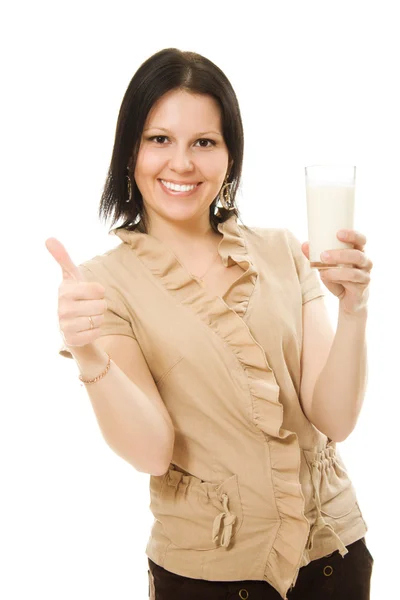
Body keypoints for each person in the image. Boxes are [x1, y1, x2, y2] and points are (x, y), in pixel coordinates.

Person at [46, 48, 374, 599]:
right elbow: (152, 452)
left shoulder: (281, 253)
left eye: (204, 142)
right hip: (208, 576)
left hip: (332, 559)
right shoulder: (105, 284)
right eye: (159, 139)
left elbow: (335, 418)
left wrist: (354, 310)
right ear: (130, 150)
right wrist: (88, 356)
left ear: (229, 155)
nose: (181, 163)